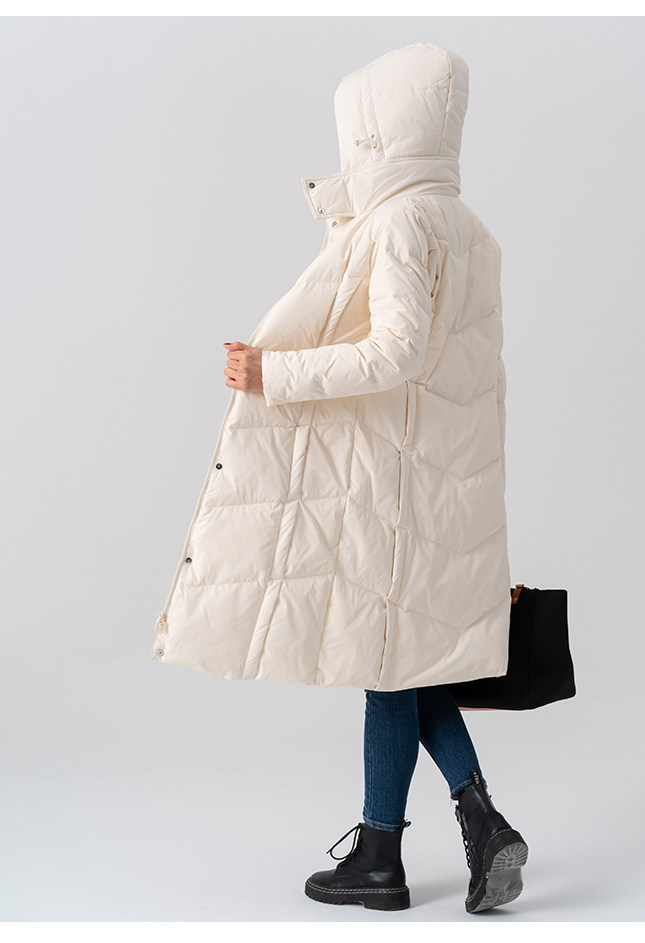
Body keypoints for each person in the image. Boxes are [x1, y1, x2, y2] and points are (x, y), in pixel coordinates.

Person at [152, 42, 526, 914]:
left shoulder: (398, 225)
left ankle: (405, 848)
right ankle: (437, 832)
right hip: (450, 486)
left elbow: (395, 353)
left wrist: (273, 373)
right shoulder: (471, 231)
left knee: (388, 665)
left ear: (380, 131)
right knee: (403, 661)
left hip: (392, 484)